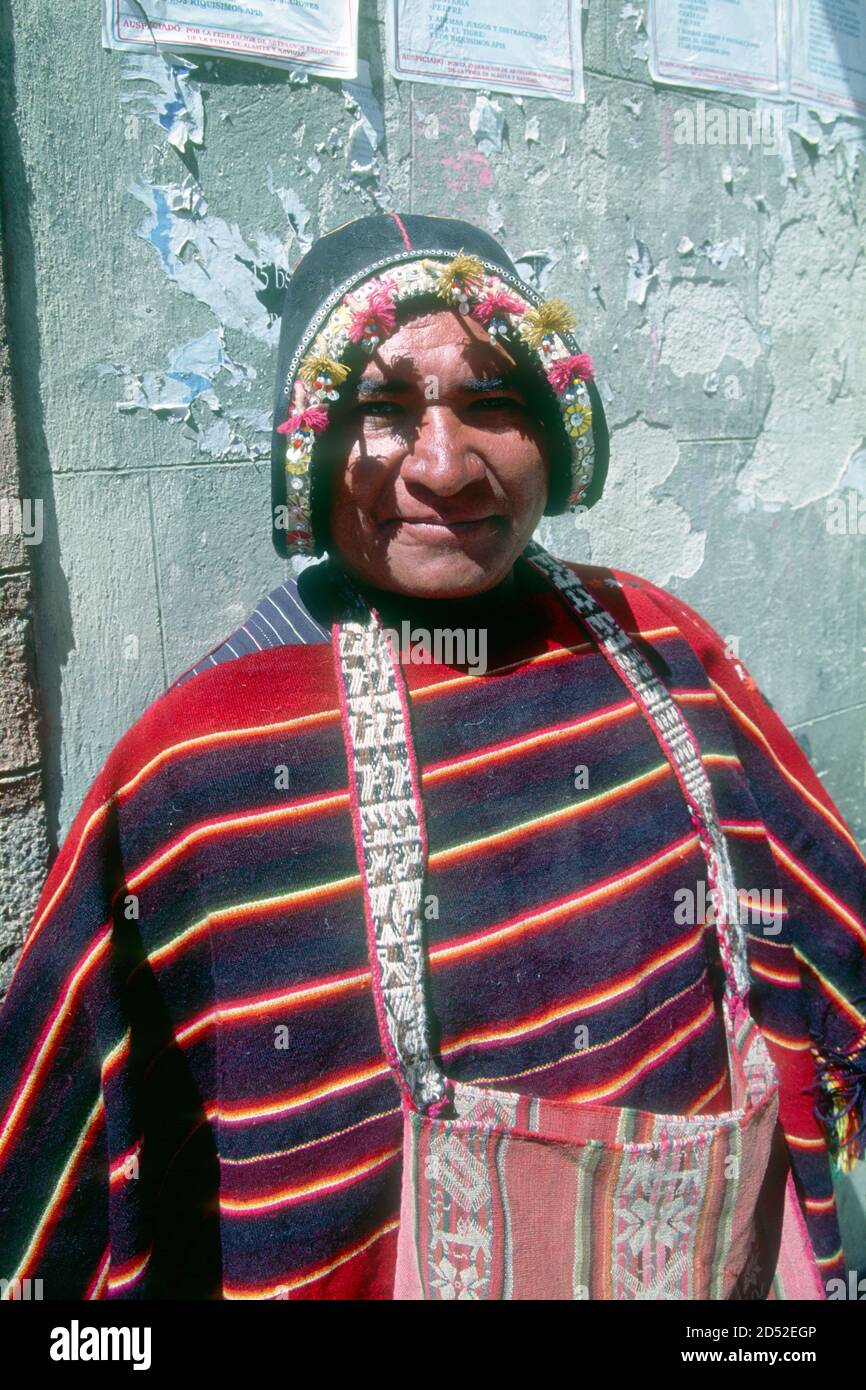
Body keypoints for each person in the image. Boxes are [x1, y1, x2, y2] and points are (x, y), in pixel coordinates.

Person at [0, 212, 863, 1301]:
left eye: (494, 403)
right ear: (306, 450)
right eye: (379, 409)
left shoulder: (658, 645)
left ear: (556, 435)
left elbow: (823, 920)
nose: (446, 466)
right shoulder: (202, 767)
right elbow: (60, 1148)